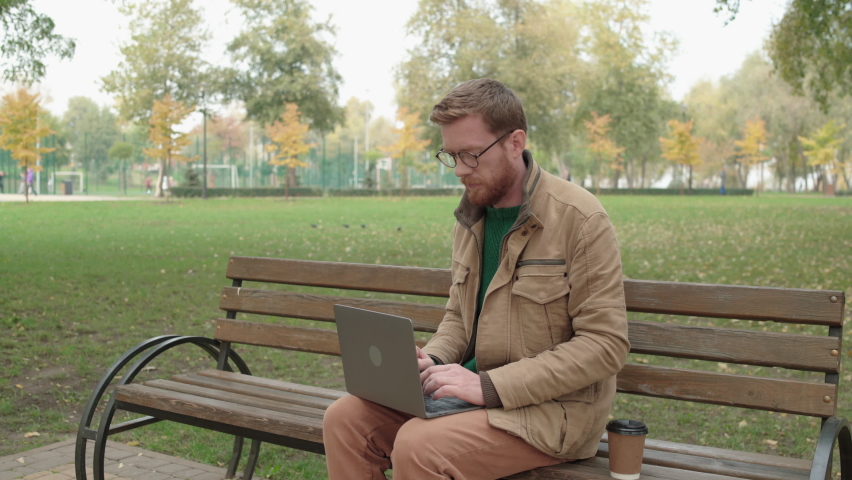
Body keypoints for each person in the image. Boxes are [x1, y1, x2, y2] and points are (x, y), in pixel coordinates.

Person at [322, 79, 629, 480]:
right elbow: (458, 317)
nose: (461, 172)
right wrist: (430, 362)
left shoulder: (580, 218)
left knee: (420, 445)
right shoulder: (471, 217)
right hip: (472, 399)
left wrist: (488, 387)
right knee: (344, 418)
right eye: (451, 156)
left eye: (471, 155)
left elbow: (605, 345)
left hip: (552, 413)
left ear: (515, 142)